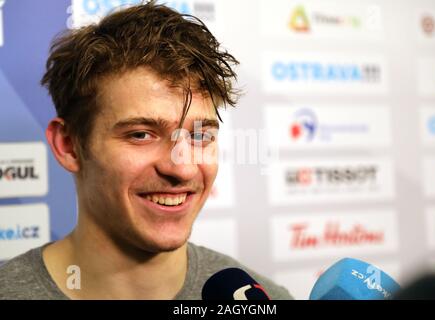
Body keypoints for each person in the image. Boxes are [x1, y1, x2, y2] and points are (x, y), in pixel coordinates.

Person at [0, 1, 293, 300]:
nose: (183, 168)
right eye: (141, 135)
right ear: (68, 145)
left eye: (200, 135)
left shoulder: (259, 299)